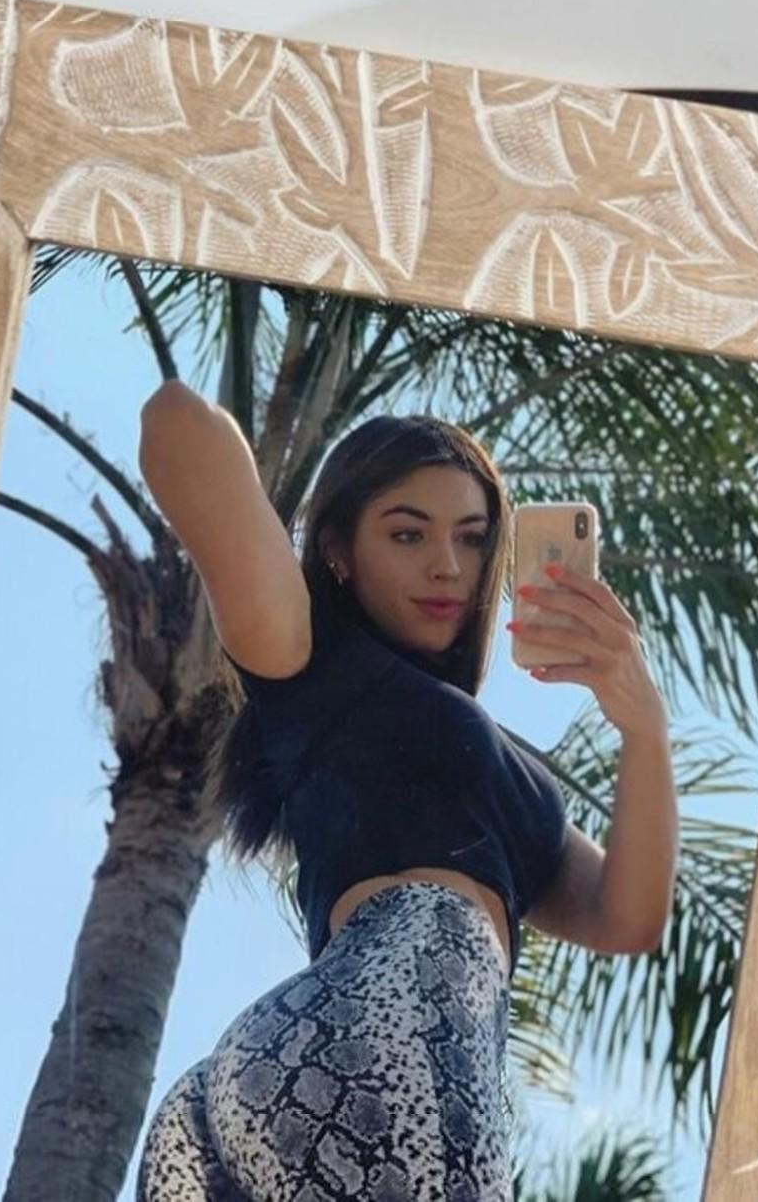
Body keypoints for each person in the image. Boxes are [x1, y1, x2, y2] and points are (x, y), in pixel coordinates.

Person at [134, 378, 673, 1201]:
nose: (446, 564)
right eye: (407, 532)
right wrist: (272, 551)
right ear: (340, 552)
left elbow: (627, 916)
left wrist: (644, 727)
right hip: (385, 1048)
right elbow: (174, 422)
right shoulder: (310, 662)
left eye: (472, 537)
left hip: (259, 1088)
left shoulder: (521, 787)